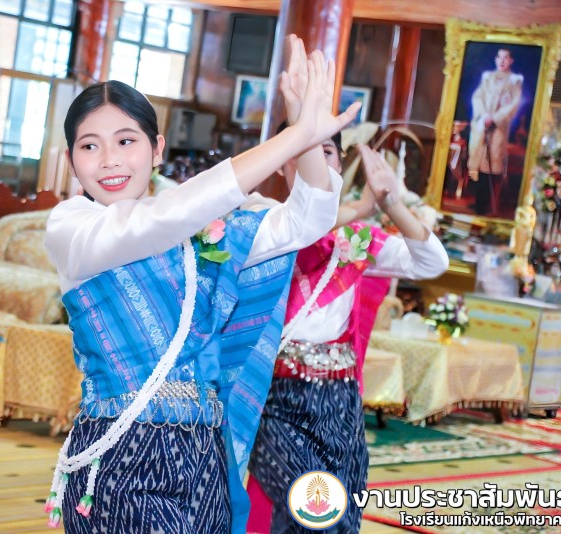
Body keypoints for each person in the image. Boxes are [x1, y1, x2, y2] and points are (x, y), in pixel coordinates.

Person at [42, 36, 360, 533]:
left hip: (203, 456)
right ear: (70, 160)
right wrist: (295, 136)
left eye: (125, 141)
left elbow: (306, 220)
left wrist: (305, 132)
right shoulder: (72, 225)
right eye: (90, 146)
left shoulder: (202, 232)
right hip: (121, 458)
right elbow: (158, 220)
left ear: (157, 149)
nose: (108, 160)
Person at [246, 139, 449, 532]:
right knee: (313, 509)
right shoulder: (263, 217)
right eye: (302, 151)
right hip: (276, 397)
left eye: (326, 152)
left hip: (340, 399)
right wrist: (359, 208)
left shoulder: (355, 241)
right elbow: (300, 226)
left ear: (340, 166)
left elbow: (431, 263)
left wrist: (391, 203)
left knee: (342, 510)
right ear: (282, 165)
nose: (315, 161)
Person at [467, 47, 523, 216]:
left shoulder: (514, 81)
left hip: (498, 129)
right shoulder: (488, 78)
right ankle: (477, 201)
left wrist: (495, 118)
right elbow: (477, 97)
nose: (502, 61)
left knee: (490, 165)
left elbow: (513, 105)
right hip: (482, 126)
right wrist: (484, 115)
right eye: (499, 57)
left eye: (506, 58)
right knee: (478, 163)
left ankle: (486, 205)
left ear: (511, 61)